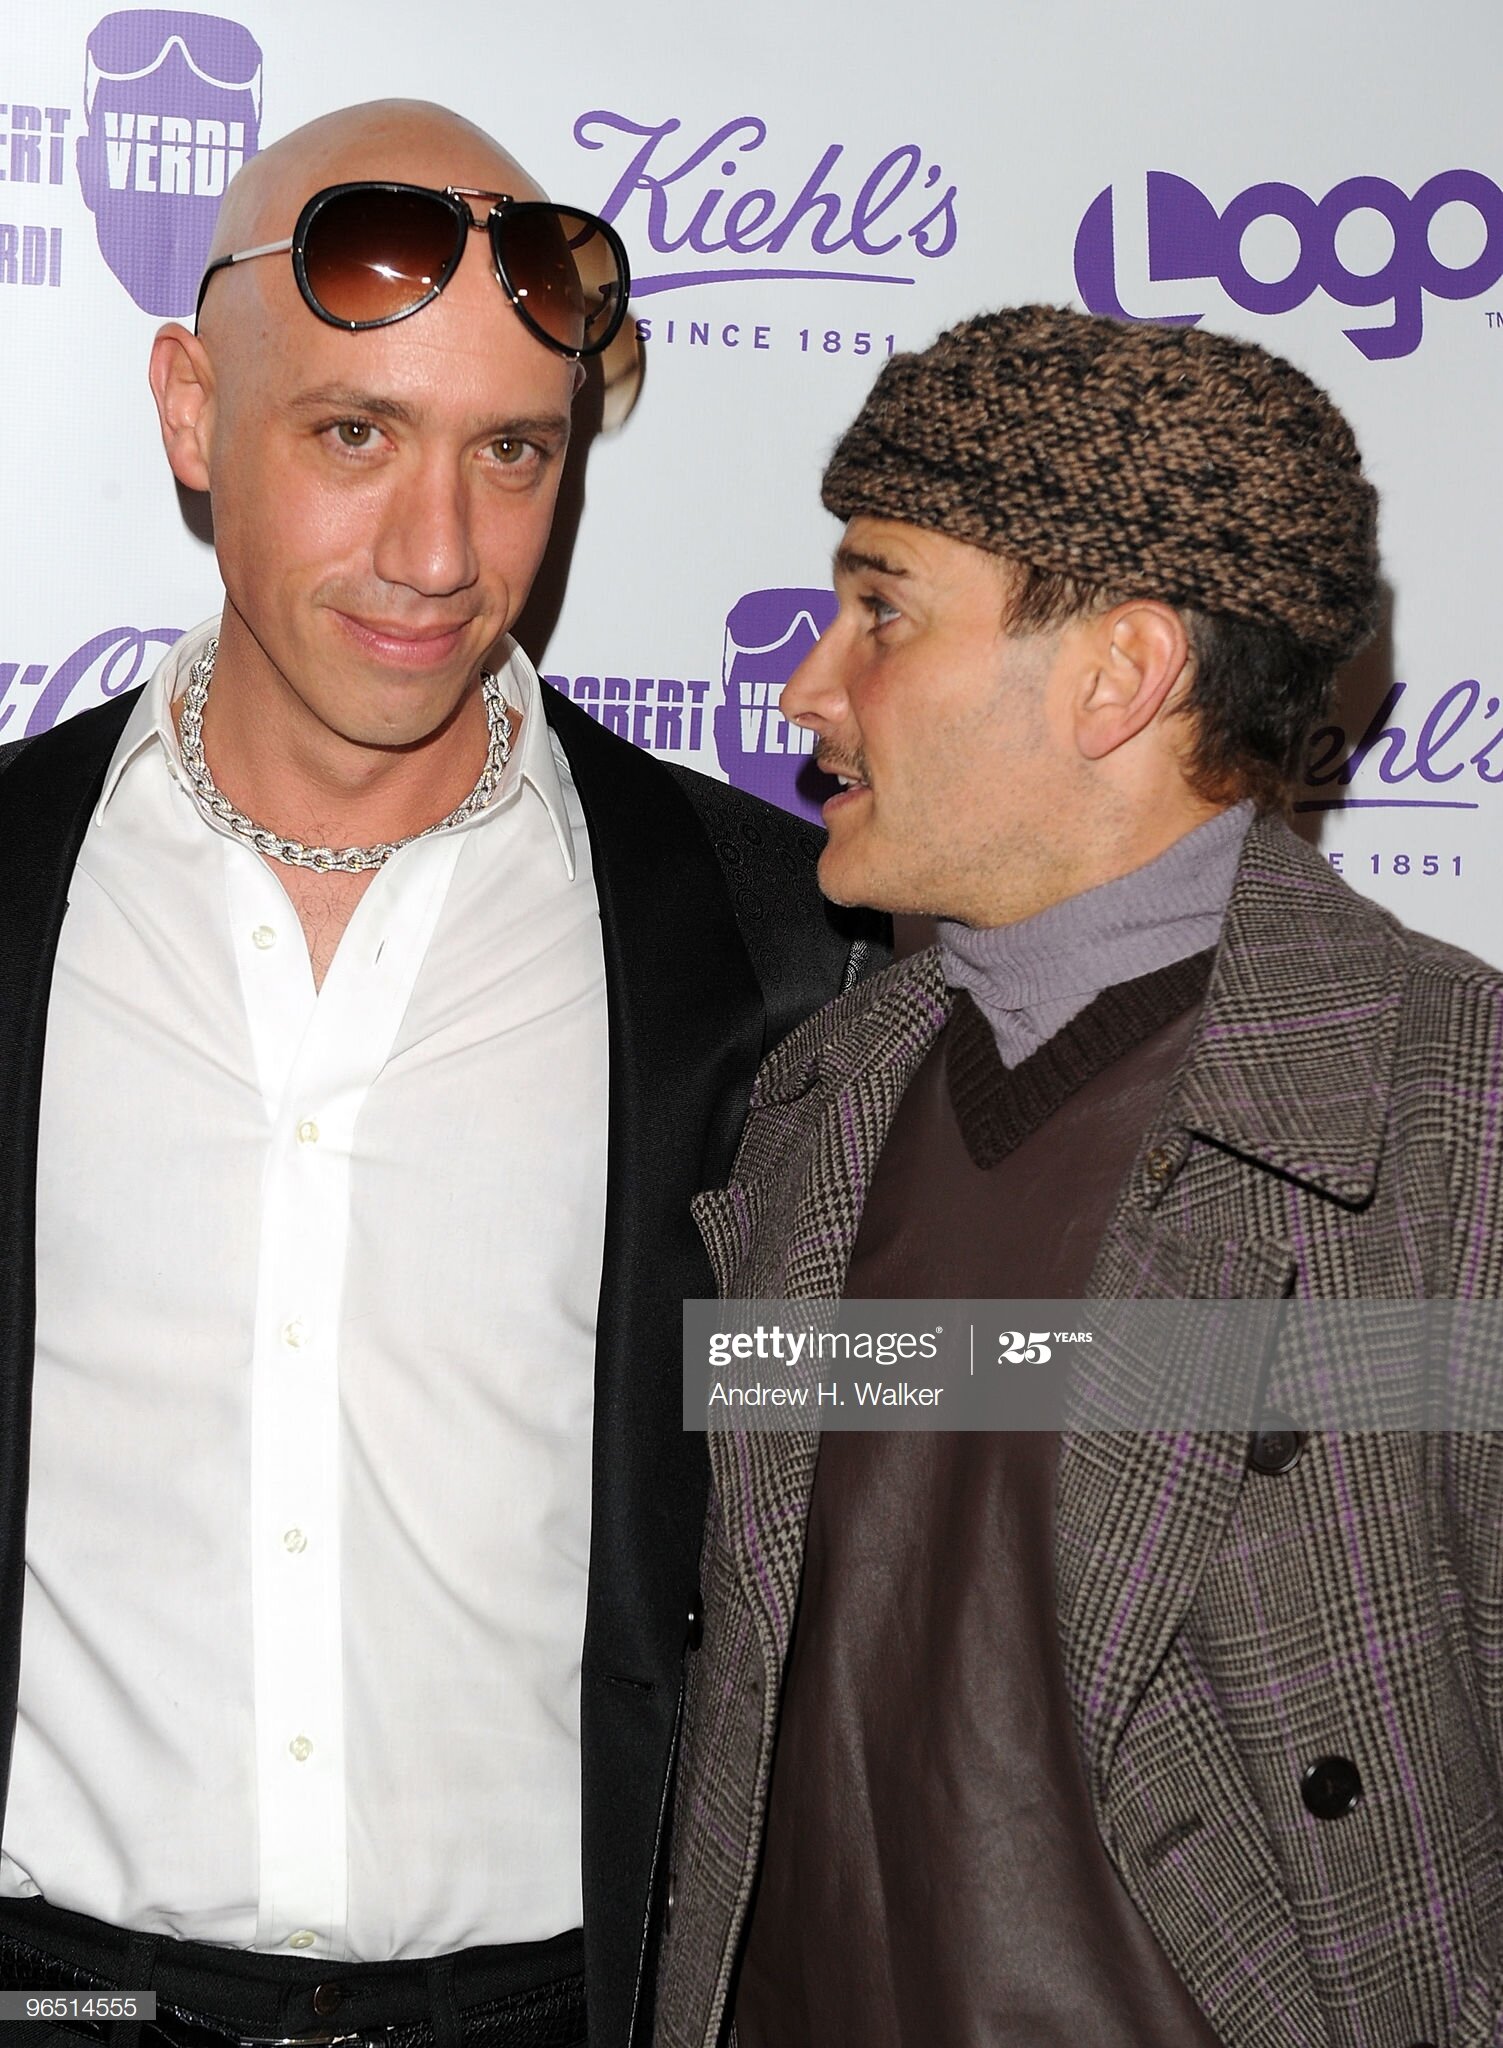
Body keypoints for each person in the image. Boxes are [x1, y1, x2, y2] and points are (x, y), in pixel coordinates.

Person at [0, 99, 880, 2048]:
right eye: (351, 432)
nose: (435, 549)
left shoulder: (774, 945)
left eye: (511, 452)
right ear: (183, 412)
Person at [652, 306, 1503, 2048]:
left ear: (1120, 672)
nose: (809, 686)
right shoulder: (818, 1099)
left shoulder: (1454, 1120)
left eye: (883, 608)